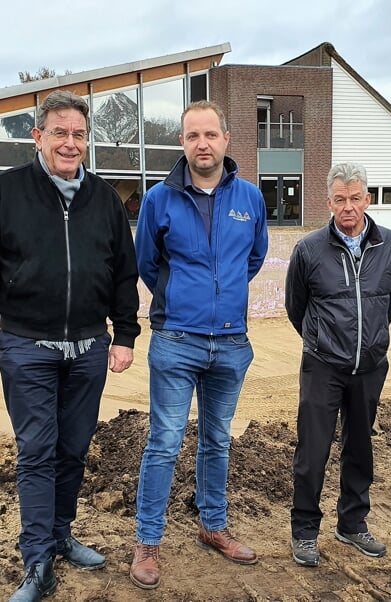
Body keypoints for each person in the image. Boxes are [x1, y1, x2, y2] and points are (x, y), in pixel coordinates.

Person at [0, 90, 141, 602]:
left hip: (87, 349)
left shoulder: (104, 200)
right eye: (58, 132)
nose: (69, 142)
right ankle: (37, 560)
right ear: (38, 137)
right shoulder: (4, 193)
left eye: (78, 134)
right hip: (26, 346)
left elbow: (124, 274)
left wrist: (124, 334)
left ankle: (61, 534)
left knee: (73, 450)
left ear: (88, 141)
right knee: (37, 451)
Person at [131, 100, 268, 590]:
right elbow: (146, 263)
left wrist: (222, 298)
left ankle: (213, 527)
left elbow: (253, 259)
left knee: (217, 441)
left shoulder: (250, 198)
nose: (202, 144)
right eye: (192, 136)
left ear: (226, 139)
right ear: (183, 143)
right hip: (177, 340)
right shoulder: (158, 200)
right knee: (165, 443)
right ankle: (148, 541)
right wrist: (186, 300)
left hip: (231, 342)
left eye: (210, 135)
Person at [284, 162, 391, 567]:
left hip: (369, 366)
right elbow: (295, 308)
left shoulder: (389, 245)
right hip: (322, 366)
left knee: (360, 449)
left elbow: (387, 302)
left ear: (367, 200)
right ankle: (304, 532)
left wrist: (369, 342)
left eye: (355, 198)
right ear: (328, 202)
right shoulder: (309, 249)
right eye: (340, 199)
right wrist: (323, 342)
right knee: (312, 452)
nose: (348, 207)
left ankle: (352, 524)